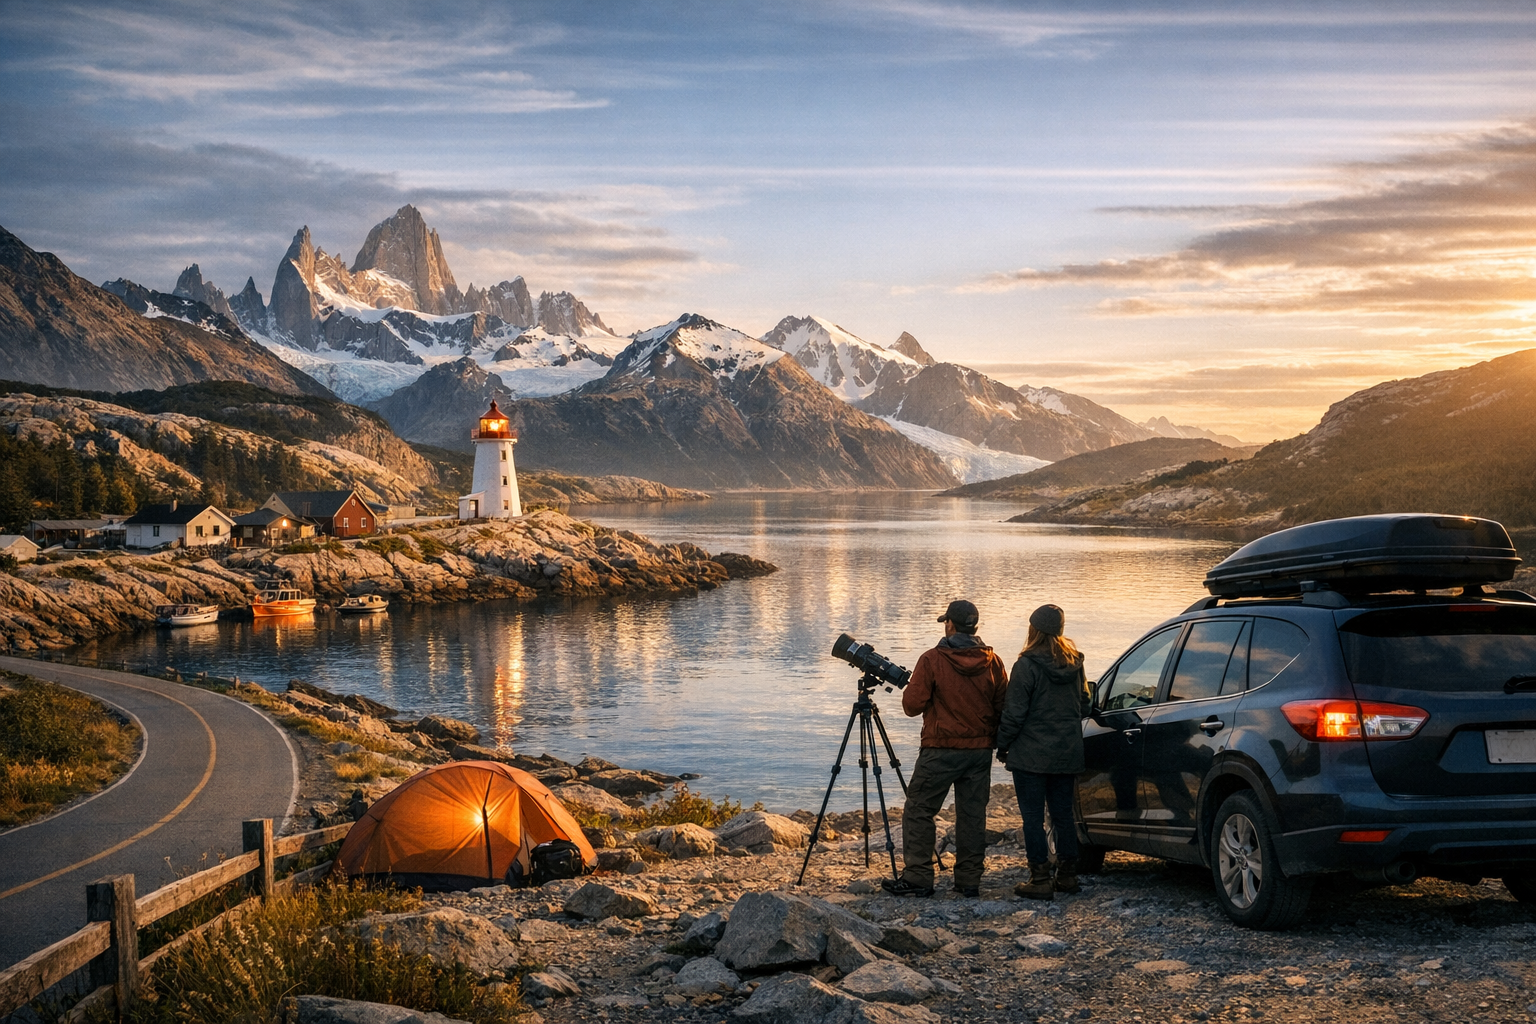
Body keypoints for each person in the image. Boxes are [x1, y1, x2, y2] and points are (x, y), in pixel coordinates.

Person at [883, 599, 1009, 898]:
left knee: (919, 810)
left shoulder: (932, 660)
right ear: (974, 627)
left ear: (950, 625)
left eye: (945, 622)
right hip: (979, 751)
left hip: (940, 748)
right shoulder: (994, 661)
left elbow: (912, 706)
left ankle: (918, 877)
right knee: (972, 814)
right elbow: (1003, 706)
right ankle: (968, 880)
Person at [996, 603, 1090, 900]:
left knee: (1033, 818)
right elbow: (1085, 704)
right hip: (1067, 753)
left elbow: (1014, 713)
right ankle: (1068, 876)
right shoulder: (1075, 662)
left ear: (1033, 630)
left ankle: (1039, 878)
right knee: (1063, 816)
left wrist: (1003, 745)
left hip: (1031, 757)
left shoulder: (1026, 665)